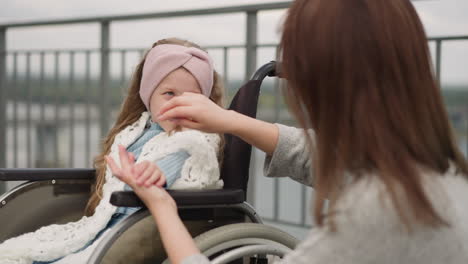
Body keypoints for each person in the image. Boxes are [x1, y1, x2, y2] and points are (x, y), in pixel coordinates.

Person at [115, 0, 468, 263]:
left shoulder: (379, 213)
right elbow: (320, 156)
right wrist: (231, 120)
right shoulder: (445, 178)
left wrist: (161, 206)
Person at [0, 38, 225, 264]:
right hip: (105, 228)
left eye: (191, 96)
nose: (179, 104)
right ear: (148, 96)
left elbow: (180, 157)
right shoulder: (139, 131)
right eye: (169, 94)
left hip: (131, 232)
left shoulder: (195, 138)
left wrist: (155, 171)